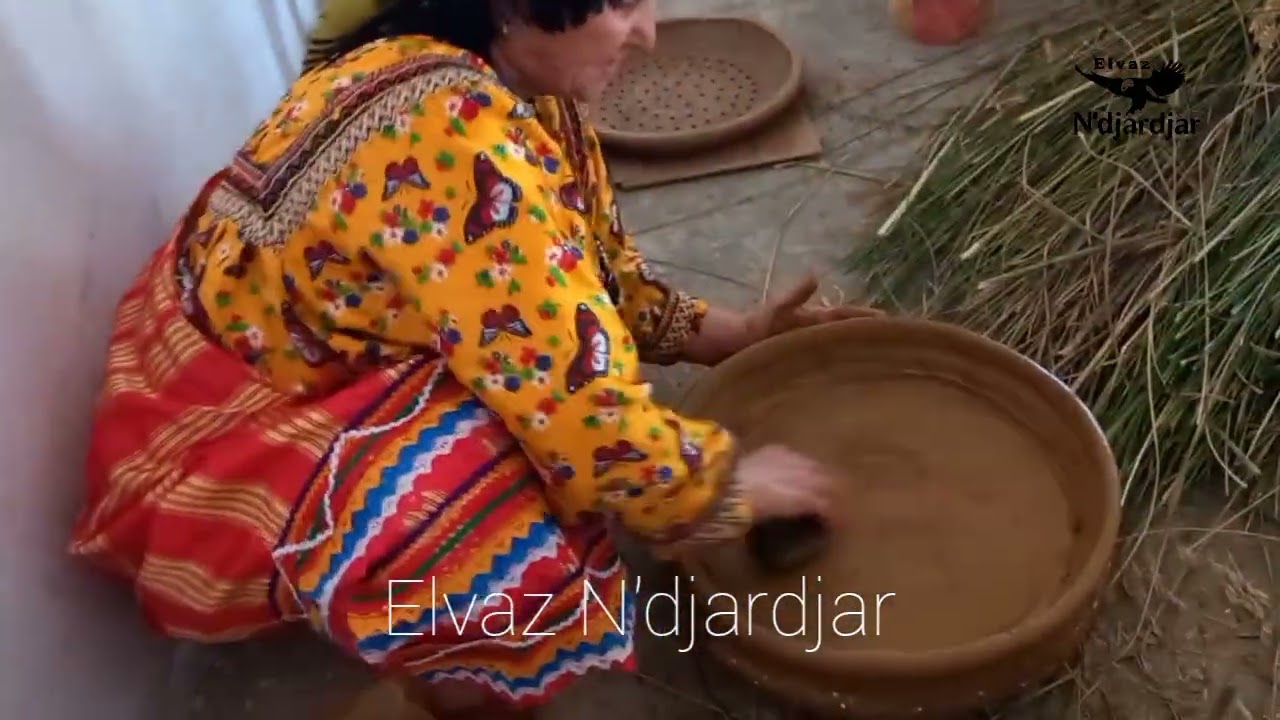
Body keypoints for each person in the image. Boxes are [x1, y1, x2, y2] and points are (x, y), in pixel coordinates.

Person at [67, 1, 869, 717]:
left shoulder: (491, 73)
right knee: (506, 511)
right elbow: (584, 422)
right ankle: (453, 684)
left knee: (538, 377)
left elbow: (586, 275)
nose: (650, 34)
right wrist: (724, 495)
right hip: (214, 449)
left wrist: (730, 332)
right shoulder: (456, 142)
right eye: (620, 5)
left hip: (277, 347)